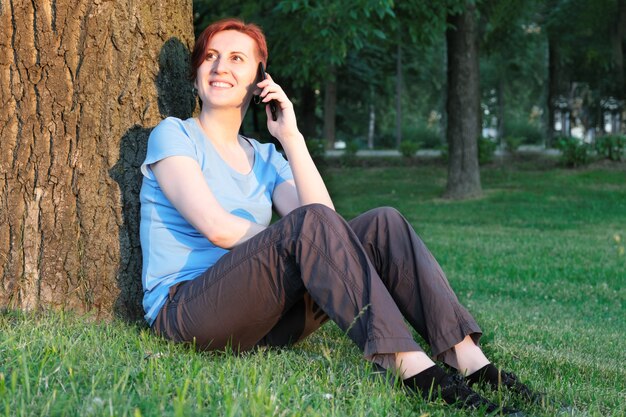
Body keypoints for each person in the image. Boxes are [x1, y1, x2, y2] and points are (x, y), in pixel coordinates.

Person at [140, 17, 539, 416]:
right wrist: (295, 237)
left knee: (383, 222)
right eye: (210, 56)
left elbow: (327, 222)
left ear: (260, 80)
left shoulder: (264, 156)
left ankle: (470, 361)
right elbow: (218, 228)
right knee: (308, 228)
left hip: (261, 323)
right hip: (189, 313)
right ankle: (410, 367)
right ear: (195, 77)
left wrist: (291, 138)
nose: (219, 66)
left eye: (236, 58)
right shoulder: (174, 135)